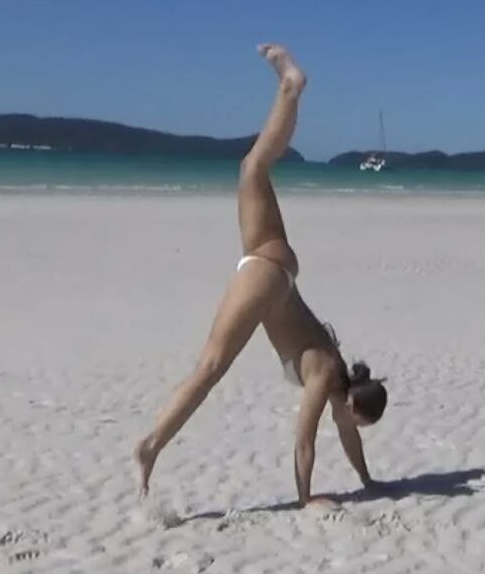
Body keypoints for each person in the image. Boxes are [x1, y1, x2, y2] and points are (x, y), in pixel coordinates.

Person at [134, 44, 388, 509]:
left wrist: (368, 481)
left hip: (277, 271)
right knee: (210, 368)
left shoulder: (337, 377)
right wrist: (306, 498)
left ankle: (290, 88)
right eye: (356, 420)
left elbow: (346, 434)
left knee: (253, 168)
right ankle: (150, 446)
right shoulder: (324, 375)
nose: (350, 427)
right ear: (352, 403)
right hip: (268, 275)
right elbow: (304, 441)